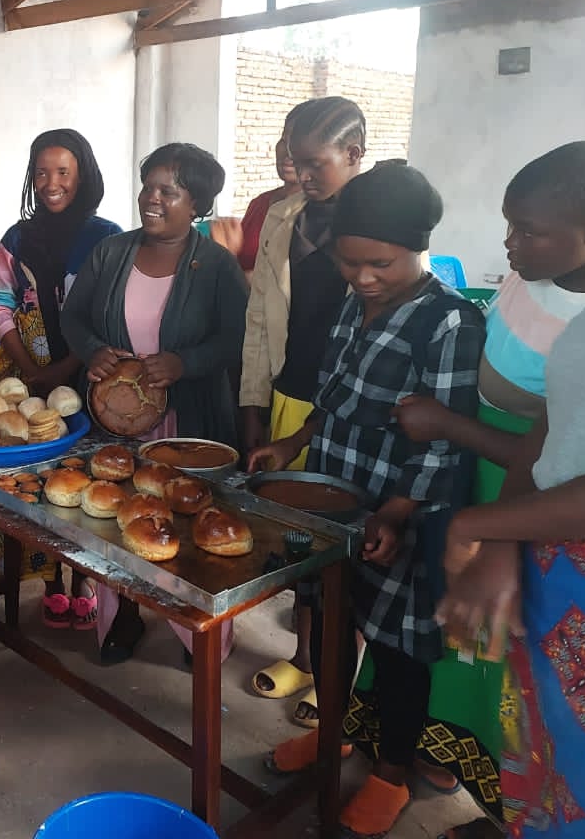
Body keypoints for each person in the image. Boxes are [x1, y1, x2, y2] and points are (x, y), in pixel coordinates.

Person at [390, 142, 585, 838]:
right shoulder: (532, 279)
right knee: (461, 636)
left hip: (535, 501)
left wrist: (448, 426)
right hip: (480, 482)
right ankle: (453, 759)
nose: (511, 243)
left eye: (530, 231)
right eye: (508, 225)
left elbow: (561, 449)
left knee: (511, 657)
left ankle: (500, 791)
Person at [252, 164, 485, 839]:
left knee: (399, 647)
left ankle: (391, 773)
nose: (362, 278)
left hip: (400, 511)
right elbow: (333, 397)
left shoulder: (449, 322)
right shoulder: (355, 303)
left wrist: (398, 512)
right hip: (331, 495)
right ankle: (334, 736)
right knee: (329, 620)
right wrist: (291, 443)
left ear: (418, 246)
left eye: (378, 263)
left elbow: (445, 443)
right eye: (349, 263)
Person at [61, 142, 247, 665]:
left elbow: (236, 338)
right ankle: (121, 614)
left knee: (185, 529)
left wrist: (185, 363)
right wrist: (93, 351)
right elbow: (73, 317)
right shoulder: (111, 253)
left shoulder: (215, 265)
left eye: (170, 190)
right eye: (148, 186)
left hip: (187, 423)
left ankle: (196, 631)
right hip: (115, 422)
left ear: (198, 205)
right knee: (113, 523)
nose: (153, 198)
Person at [242, 97, 367, 720]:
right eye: (296, 163)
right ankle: (305, 657)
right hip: (292, 392)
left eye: (316, 164)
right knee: (299, 542)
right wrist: (254, 404)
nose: (303, 175)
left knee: (346, 542)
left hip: (349, 405)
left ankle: (345, 675)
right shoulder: (283, 217)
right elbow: (261, 320)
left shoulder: (380, 224)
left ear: (354, 155)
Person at [0, 129, 122, 629]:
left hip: (91, 381)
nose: (51, 183)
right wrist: (29, 367)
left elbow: (111, 314)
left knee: (82, 485)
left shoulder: (107, 238)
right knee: (33, 482)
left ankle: (86, 579)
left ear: (82, 175)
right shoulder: (15, 240)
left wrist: (64, 369)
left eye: (63, 172)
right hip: (28, 380)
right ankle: (48, 582)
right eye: (41, 172)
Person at [199, 110, 304, 274]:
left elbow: (275, 283)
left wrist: (225, 256)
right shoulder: (261, 202)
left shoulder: (312, 213)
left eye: (299, 143)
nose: (288, 152)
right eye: (284, 139)